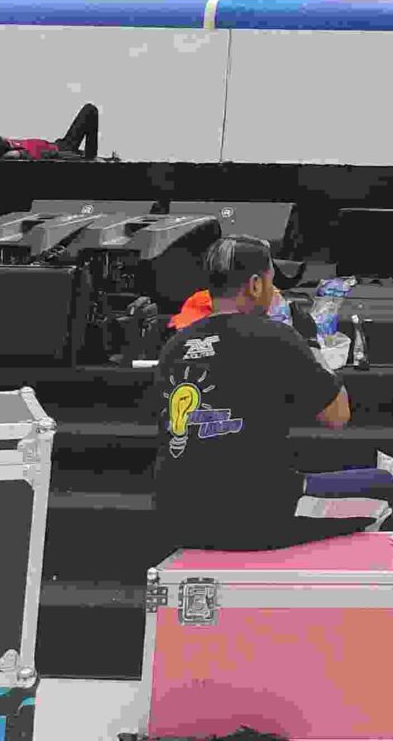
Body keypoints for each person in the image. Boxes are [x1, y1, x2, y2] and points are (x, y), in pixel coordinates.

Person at [148, 236, 355, 551]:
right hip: (254, 518)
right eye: (272, 280)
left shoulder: (173, 347)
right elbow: (337, 416)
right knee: (384, 487)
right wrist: (311, 342)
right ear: (256, 285)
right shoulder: (278, 337)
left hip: (176, 516)